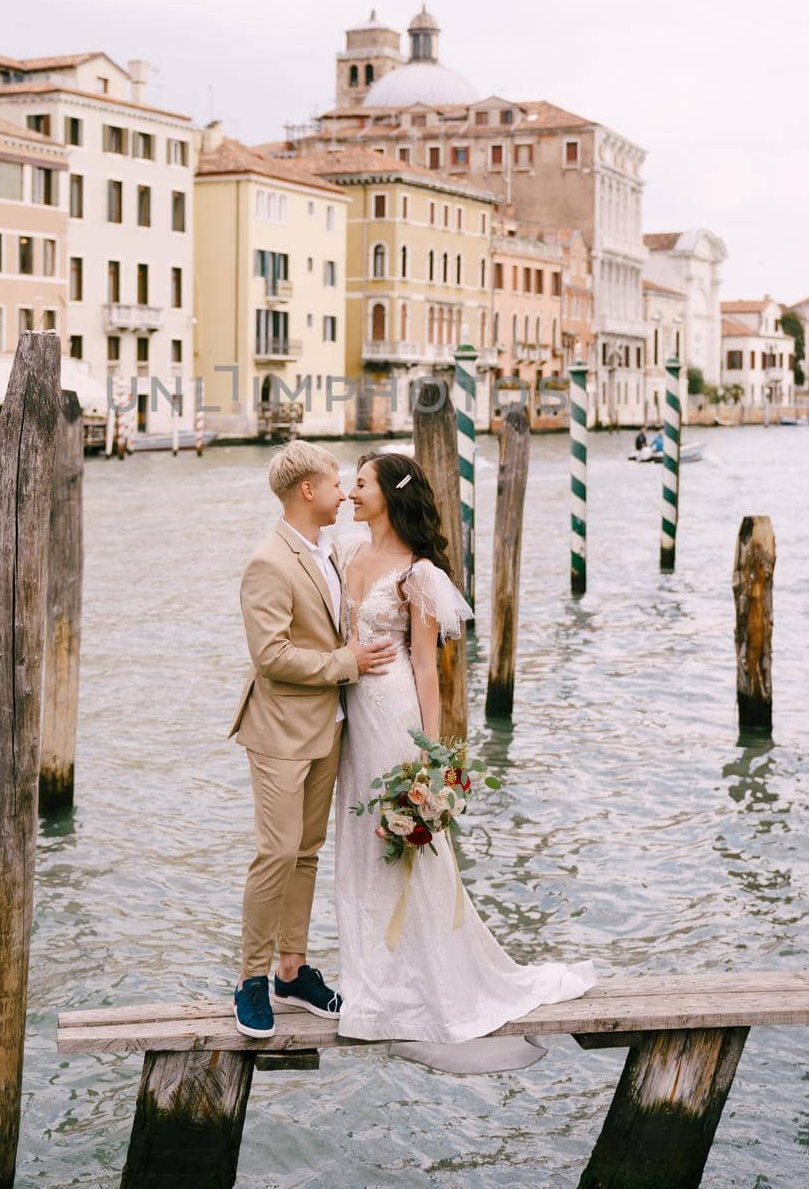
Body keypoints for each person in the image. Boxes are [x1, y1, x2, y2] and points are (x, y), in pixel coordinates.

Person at [333, 449, 596, 1073]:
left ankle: (426, 988)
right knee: (358, 840)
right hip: (351, 717)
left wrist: (431, 758)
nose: (350, 493)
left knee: (406, 847)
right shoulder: (347, 554)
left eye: (361, 484)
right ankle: (374, 987)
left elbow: (426, 669)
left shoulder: (419, 576)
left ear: (390, 497)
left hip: (394, 713)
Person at [229, 440, 397, 1039]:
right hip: (279, 730)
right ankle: (250, 980)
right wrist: (345, 662)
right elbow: (270, 656)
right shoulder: (269, 561)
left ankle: (291, 970)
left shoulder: (329, 550)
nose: (343, 493)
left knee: (305, 852)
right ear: (308, 491)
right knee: (275, 854)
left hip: (328, 726)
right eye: (335, 484)